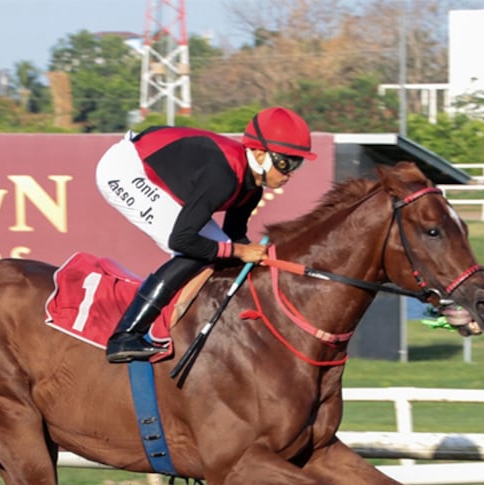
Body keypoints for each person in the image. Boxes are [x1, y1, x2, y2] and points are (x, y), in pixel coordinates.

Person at [94, 106, 317, 363]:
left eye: (296, 164)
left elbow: (234, 237)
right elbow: (182, 240)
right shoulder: (223, 177)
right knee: (197, 251)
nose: (289, 173)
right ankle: (125, 335)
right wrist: (240, 251)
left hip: (154, 168)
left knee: (220, 249)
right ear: (258, 153)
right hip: (125, 170)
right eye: (285, 163)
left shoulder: (252, 189)